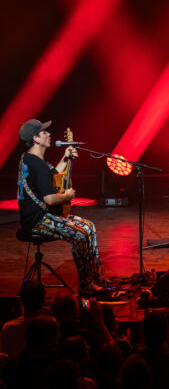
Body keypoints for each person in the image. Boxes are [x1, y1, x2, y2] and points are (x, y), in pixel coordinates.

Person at [17, 119, 102, 296]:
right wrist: (67, 196)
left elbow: (53, 176)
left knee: (89, 227)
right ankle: (85, 284)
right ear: (36, 139)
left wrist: (65, 158)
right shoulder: (37, 164)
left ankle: (96, 277)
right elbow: (49, 199)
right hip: (38, 221)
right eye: (44, 132)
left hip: (41, 216)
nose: (49, 134)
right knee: (80, 234)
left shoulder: (30, 158)